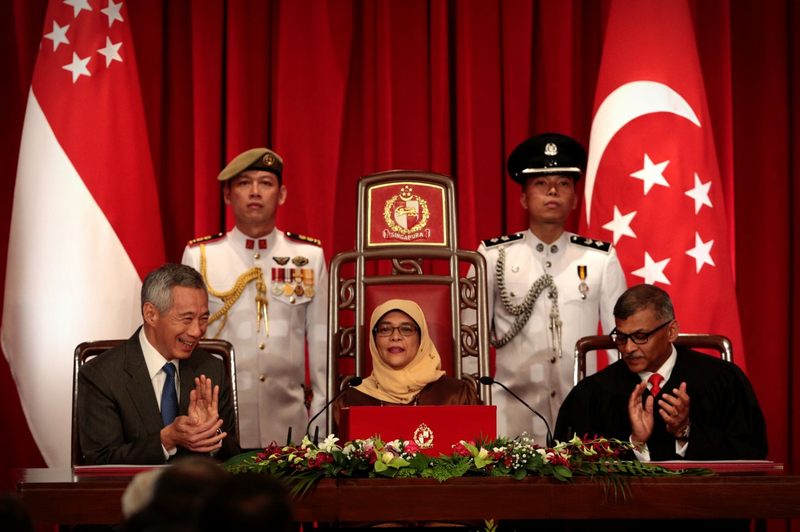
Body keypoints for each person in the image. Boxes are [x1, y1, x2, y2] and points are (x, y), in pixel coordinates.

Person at [467, 133, 627, 443]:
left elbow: (620, 339)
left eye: (563, 183)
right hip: (510, 413)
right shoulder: (492, 256)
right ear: (524, 198)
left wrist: (616, 403)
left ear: (574, 198)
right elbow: (470, 340)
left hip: (585, 411)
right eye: (541, 183)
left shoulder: (600, 259)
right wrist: (476, 402)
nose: (552, 191)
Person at [182, 148, 328, 449]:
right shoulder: (201, 256)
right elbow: (184, 341)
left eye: (265, 182)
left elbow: (321, 342)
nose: (255, 192)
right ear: (227, 194)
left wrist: (320, 424)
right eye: (244, 183)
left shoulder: (309, 257)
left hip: (290, 421)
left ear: (282, 193)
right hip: (219, 420)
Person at [555, 284, 767, 461]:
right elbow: (567, 462)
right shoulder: (593, 393)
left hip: (703, 507)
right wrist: (634, 443)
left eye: (640, 336)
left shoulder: (722, 380)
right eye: (621, 337)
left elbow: (751, 453)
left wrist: (685, 433)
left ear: (671, 332)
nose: (628, 348)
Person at [78, 263, 240, 464]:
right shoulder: (101, 375)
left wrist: (210, 432)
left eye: (203, 318)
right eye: (186, 318)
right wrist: (166, 440)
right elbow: (100, 461)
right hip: (132, 493)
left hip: (200, 493)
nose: (198, 331)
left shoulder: (211, 368)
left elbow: (233, 457)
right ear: (151, 314)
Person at [332, 299, 478, 431]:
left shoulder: (456, 395)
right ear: (373, 340)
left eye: (406, 329)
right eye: (385, 329)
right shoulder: (351, 401)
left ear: (422, 339)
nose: (395, 337)